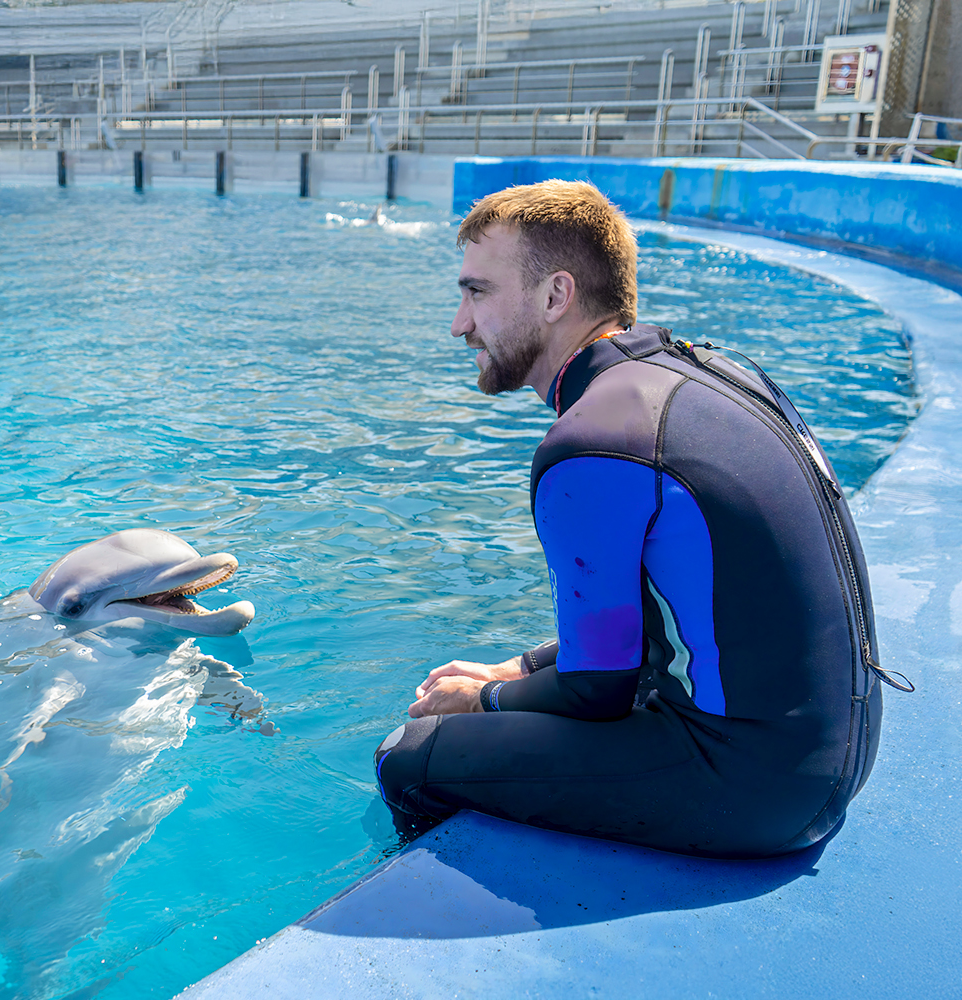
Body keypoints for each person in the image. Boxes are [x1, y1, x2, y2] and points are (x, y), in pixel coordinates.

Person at [373, 180, 906, 859]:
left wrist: (483, 705)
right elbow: (673, 629)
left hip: (756, 789)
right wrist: (517, 667)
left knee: (410, 755)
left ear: (555, 296)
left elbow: (599, 691)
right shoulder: (714, 374)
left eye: (477, 292)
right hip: (837, 759)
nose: (459, 322)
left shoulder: (591, 443)